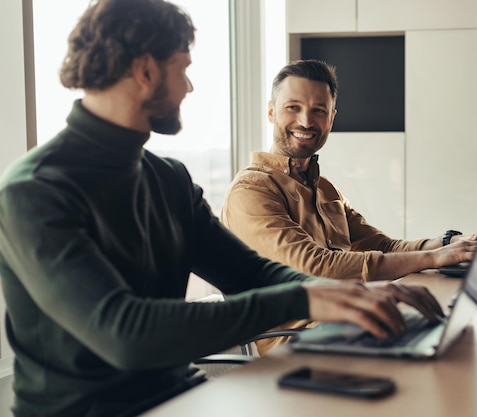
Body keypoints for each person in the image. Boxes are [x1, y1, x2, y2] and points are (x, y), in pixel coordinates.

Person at [0, 2, 446, 416]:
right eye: (184, 69)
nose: (189, 87)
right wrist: (308, 295)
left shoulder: (168, 179)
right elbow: (126, 334)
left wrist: (350, 296)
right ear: (145, 71)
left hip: (178, 395)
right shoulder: (34, 192)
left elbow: (250, 273)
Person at [220, 59, 477, 354]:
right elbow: (316, 267)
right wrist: (434, 257)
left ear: (331, 119)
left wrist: (452, 244)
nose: (305, 121)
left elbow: (384, 245)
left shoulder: (323, 187)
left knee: (459, 330)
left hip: (352, 319)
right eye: (293, 108)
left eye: (319, 110)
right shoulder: (252, 190)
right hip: (296, 344)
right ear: (271, 112)